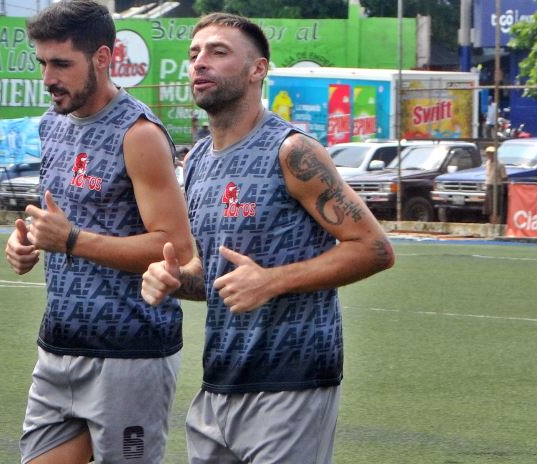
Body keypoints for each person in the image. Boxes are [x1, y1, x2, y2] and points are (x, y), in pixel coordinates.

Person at [141, 13, 395, 464]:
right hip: (218, 384)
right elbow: (219, 277)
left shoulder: (293, 151)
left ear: (258, 69)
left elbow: (374, 248)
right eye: (194, 54)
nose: (200, 63)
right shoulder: (197, 159)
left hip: (290, 385)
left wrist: (272, 281)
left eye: (218, 52)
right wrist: (176, 280)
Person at [5, 1, 193, 463]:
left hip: (129, 354)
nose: (48, 77)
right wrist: (27, 241)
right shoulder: (52, 124)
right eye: (43, 63)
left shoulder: (139, 133)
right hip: (59, 345)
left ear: (104, 58)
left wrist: (70, 241)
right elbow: (65, 218)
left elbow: (175, 246)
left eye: (62, 64)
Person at [483, 145, 507, 224]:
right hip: (489, 186)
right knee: (489, 209)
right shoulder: (487, 163)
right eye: (488, 153)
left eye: (491, 153)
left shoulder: (500, 164)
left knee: (496, 208)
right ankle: (491, 223)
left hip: (497, 187)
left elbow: (504, 177)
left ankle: (497, 224)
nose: (490, 155)